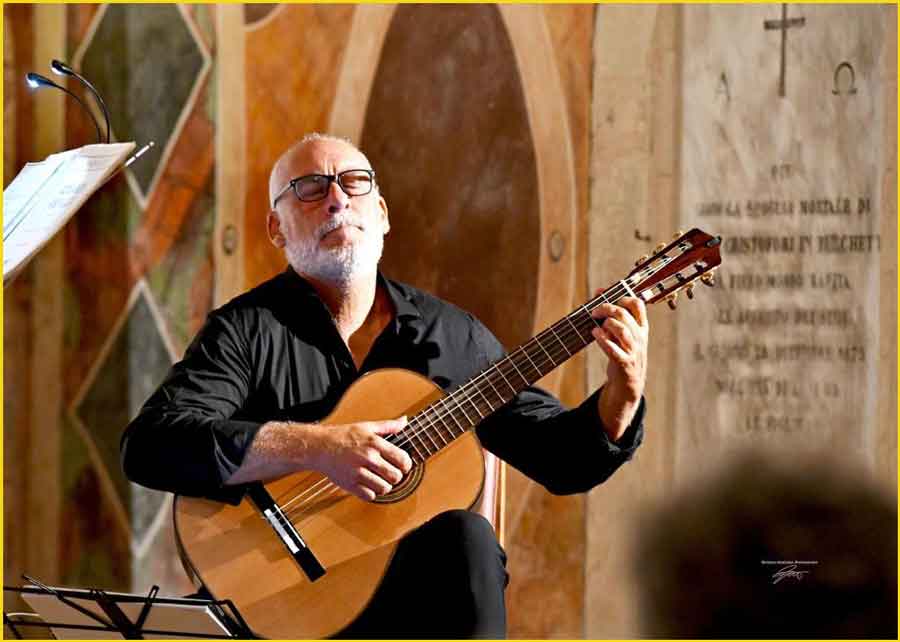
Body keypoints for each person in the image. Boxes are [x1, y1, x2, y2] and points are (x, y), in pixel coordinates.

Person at [121, 133, 649, 638]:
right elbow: (151, 445)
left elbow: (561, 458)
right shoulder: (244, 330)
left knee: (467, 540)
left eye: (354, 183)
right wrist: (317, 448)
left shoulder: (451, 337)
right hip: (274, 607)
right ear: (276, 229)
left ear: (382, 214)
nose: (336, 200)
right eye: (310, 187)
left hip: (412, 609)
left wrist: (620, 397)